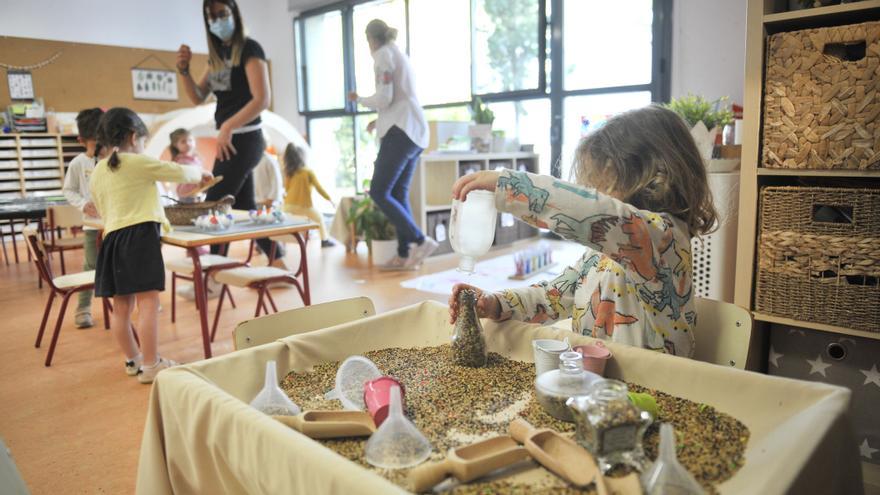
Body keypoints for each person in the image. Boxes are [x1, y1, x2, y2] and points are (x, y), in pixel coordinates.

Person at [448, 105, 718, 358]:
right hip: (597, 384)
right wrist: (497, 304)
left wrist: (513, 187)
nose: (595, 193)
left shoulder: (661, 239)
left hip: (651, 390)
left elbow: (594, 212)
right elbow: (553, 296)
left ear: (650, 176)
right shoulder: (602, 255)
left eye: (602, 184)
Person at [89, 107, 213, 383]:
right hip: (140, 238)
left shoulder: (97, 171)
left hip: (111, 241)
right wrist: (200, 172)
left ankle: (133, 360)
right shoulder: (136, 161)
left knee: (121, 308)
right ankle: (151, 364)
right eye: (143, 142)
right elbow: (175, 170)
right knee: (147, 303)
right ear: (134, 137)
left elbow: (100, 207)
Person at [176, 0, 284, 268]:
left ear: (234, 13)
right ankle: (279, 264)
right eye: (211, 17)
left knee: (215, 206)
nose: (217, 21)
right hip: (232, 140)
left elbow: (262, 99)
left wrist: (227, 127)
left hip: (244, 139)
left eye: (222, 14)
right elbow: (197, 96)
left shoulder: (249, 49)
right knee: (245, 204)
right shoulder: (217, 57)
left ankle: (214, 275)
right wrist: (184, 71)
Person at [348, 19, 436, 270]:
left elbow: (385, 97)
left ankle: (419, 240)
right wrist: (379, 121)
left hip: (401, 130)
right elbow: (398, 98)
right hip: (415, 131)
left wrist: (360, 99)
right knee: (397, 193)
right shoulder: (399, 54)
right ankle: (404, 254)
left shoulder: (382, 55)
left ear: (371, 40)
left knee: (378, 191)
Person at [62, 107, 104, 329]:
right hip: (91, 227)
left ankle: (132, 303)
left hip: (115, 225)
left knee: (123, 263)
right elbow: (69, 190)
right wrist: (83, 204)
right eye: (94, 143)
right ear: (81, 140)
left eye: (102, 141)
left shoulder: (111, 160)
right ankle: (83, 308)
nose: (99, 148)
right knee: (91, 265)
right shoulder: (78, 163)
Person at [280, 143, 335, 247]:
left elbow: (286, 189)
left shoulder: (290, 172)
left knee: (286, 225)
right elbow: (319, 188)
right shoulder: (308, 172)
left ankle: (281, 244)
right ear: (303, 157)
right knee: (319, 219)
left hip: (287, 206)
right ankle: (324, 241)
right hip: (303, 206)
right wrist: (329, 199)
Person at [168, 128, 203, 202]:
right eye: (183, 142)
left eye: (190, 140)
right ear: (175, 145)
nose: (188, 143)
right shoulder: (180, 161)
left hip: (196, 192)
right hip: (186, 194)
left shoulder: (195, 158)